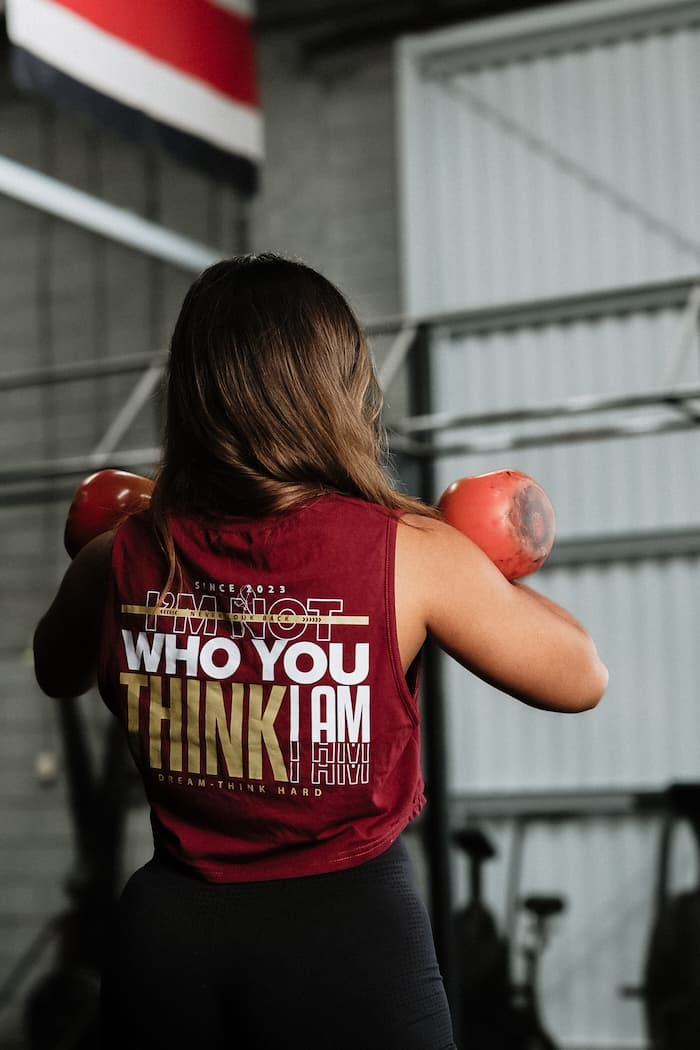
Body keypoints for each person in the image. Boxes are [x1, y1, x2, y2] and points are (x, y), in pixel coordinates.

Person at [33, 253, 608, 1050]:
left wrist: (115, 555)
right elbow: (583, 676)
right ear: (337, 389)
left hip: (167, 938)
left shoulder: (118, 558)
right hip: (346, 942)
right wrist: (476, 559)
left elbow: (53, 670)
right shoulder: (414, 552)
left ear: (193, 392)